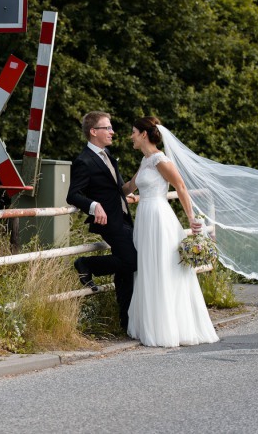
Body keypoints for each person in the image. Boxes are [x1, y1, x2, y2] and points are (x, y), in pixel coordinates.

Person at [124, 116, 219, 347]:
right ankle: (152, 324)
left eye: (134, 132)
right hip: (145, 217)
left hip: (159, 218)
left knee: (163, 268)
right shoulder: (146, 161)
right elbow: (128, 187)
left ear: (144, 134)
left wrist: (192, 219)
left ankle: (168, 328)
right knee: (148, 267)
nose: (131, 137)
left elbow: (181, 186)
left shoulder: (159, 159)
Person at [66, 111, 138, 329]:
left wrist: (131, 188)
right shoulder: (83, 161)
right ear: (93, 131)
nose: (112, 132)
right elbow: (73, 195)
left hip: (124, 217)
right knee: (133, 261)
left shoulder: (107, 154)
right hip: (108, 221)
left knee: (126, 271)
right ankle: (86, 263)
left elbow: (117, 187)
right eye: (107, 128)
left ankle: (126, 323)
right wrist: (94, 205)